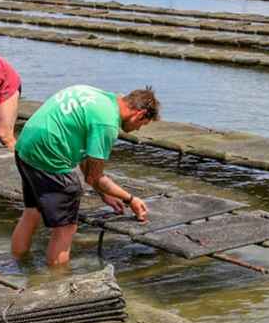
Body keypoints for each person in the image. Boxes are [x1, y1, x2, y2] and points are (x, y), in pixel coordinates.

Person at [11, 84, 160, 267]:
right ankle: (57, 279)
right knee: (66, 228)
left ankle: (17, 264)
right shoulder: (107, 123)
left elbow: (84, 157)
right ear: (139, 114)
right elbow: (95, 177)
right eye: (142, 124)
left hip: (25, 146)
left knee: (32, 211)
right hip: (49, 157)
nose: (137, 130)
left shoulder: (96, 95)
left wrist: (104, 194)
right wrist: (131, 199)